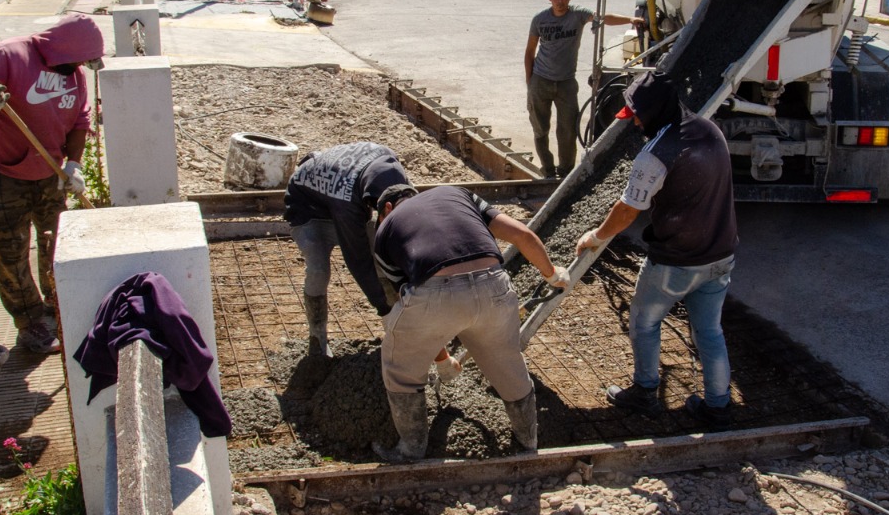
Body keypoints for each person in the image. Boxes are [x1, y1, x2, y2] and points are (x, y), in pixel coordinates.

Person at [575, 71, 739, 430]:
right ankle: (718, 406)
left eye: (636, 114)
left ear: (653, 110)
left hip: (676, 260)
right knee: (709, 331)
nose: (633, 121)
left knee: (645, 321)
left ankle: (646, 392)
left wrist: (596, 237)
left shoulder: (656, 154)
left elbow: (627, 210)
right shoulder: (710, 131)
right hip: (721, 254)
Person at [371, 184, 570, 462]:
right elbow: (522, 234)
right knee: (508, 365)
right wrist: (552, 274)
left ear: (387, 210)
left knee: (400, 368)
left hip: (436, 293)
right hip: (495, 285)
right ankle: (527, 444)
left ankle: (411, 450)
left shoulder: (385, 231)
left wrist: (442, 361)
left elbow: (416, 306)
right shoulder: (459, 194)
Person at [0, 14, 105, 354]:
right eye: (79, 59)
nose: (81, 66)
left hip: (49, 171)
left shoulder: (75, 75)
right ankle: (29, 321)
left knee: (57, 239)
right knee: (9, 247)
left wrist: (74, 165)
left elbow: (79, 120)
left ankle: (56, 302)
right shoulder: (8, 55)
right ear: (61, 50)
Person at [283, 142, 411, 357]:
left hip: (340, 189)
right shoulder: (348, 203)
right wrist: (384, 309)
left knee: (381, 255)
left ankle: (396, 321)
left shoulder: (396, 174)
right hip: (307, 205)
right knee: (318, 270)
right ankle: (318, 342)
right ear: (384, 208)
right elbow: (358, 261)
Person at [525, 0, 642, 179]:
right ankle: (548, 170)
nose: (560, 1)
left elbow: (603, 18)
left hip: (566, 83)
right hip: (540, 80)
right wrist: (530, 82)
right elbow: (530, 51)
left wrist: (630, 20)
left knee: (568, 129)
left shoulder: (578, 15)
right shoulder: (539, 19)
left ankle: (565, 171)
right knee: (540, 128)